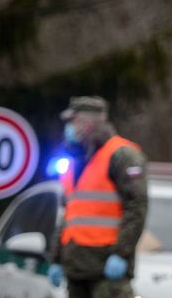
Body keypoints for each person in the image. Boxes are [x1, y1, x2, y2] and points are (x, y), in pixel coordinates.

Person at [47, 96, 149, 298]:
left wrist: (121, 254)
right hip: (77, 269)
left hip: (106, 270)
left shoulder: (122, 156)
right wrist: (57, 259)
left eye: (72, 122)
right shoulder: (74, 160)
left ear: (87, 124)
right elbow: (69, 215)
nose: (68, 128)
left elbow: (136, 207)